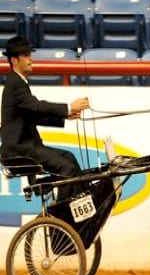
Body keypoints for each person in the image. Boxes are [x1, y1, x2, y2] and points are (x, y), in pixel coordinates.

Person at [0, 35, 89, 201]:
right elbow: (37, 106)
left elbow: (33, 114)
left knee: (68, 157)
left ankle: (82, 200)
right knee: (67, 168)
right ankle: (63, 213)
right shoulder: (15, 84)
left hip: (25, 147)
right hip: (19, 150)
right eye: (26, 56)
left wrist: (66, 116)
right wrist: (68, 107)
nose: (30, 60)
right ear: (14, 60)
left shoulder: (18, 83)